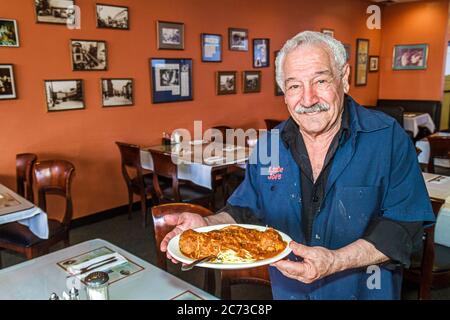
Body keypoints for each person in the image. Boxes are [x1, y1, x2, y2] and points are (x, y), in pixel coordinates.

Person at [160, 31, 435, 300]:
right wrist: (207, 224)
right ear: (284, 92)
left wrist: (336, 261)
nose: (308, 99)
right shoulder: (270, 145)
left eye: (320, 81)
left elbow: (404, 224)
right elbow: (244, 211)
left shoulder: (387, 138)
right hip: (288, 291)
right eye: (294, 86)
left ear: (344, 78)